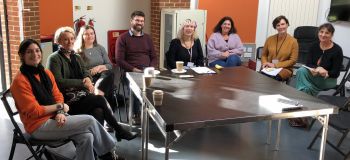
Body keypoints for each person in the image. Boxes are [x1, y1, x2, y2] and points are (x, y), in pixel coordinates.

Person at [10, 39, 124, 160]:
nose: (35, 54)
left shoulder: (45, 73)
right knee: (90, 120)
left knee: (87, 137)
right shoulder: (19, 82)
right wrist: (60, 107)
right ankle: (108, 155)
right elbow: (35, 111)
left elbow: (57, 95)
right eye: (29, 52)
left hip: (56, 117)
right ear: (22, 55)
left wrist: (59, 112)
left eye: (37, 50)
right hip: (38, 126)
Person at [46, 26, 137, 141]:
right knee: (99, 99)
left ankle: (100, 148)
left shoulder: (76, 56)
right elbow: (58, 82)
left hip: (81, 96)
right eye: (66, 39)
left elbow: (85, 72)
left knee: (98, 111)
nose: (70, 42)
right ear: (58, 41)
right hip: (67, 102)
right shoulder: (54, 58)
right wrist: (83, 83)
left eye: (72, 39)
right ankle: (119, 131)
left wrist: (88, 78)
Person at [115, 10, 157, 124]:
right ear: (131, 21)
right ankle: (135, 113)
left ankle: (153, 111)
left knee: (160, 85)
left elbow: (154, 57)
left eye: (142, 21)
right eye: (137, 20)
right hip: (130, 71)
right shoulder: (122, 38)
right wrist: (134, 69)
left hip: (147, 70)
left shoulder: (147, 38)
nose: (140, 23)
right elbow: (119, 60)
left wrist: (151, 68)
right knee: (137, 86)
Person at [74, 25, 117, 111]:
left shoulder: (100, 48)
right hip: (89, 78)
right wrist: (90, 71)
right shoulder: (77, 51)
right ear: (82, 36)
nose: (90, 36)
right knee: (109, 83)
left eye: (92, 33)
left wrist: (100, 67)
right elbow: (78, 71)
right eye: (86, 34)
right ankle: (110, 111)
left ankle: (98, 90)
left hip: (103, 76)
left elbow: (109, 65)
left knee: (108, 73)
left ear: (95, 35)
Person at [296, 23, 343, 96]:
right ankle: (307, 94)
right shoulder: (314, 46)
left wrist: (325, 71)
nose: (323, 35)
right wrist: (315, 69)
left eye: (327, 33)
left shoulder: (337, 50)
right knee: (301, 70)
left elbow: (336, 73)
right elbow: (308, 64)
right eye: (321, 32)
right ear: (318, 33)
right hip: (314, 74)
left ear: (331, 35)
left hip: (328, 79)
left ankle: (303, 95)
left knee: (306, 87)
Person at [261, 15, 299, 81]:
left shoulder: (293, 41)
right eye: (278, 25)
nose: (281, 27)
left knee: (273, 79)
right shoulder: (269, 39)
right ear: (275, 27)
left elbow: (293, 60)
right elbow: (264, 55)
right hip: (269, 67)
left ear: (287, 25)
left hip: (285, 69)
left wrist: (275, 65)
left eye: (283, 24)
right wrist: (265, 63)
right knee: (261, 77)